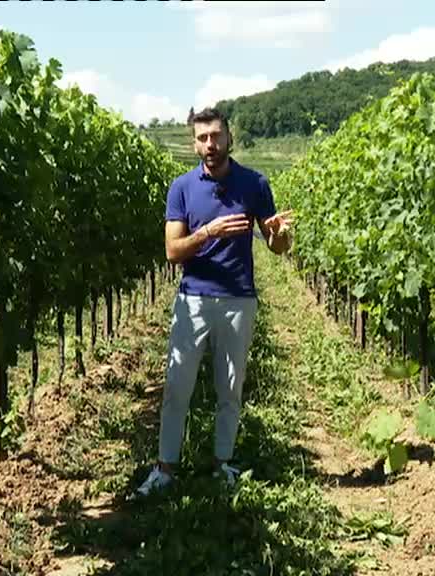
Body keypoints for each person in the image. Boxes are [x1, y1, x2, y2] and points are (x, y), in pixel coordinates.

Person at [136, 108, 293, 496]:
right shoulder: (181, 188)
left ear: (229, 138)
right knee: (177, 388)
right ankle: (165, 469)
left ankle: (223, 464)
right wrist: (208, 232)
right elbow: (173, 251)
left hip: (239, 300)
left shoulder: (255, 183)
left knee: (230, 389)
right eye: (203, 138)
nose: (211, 144)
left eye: (216, 136)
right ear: (194, 144)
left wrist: (280, 234)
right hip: (193, 300)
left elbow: (276, 246)